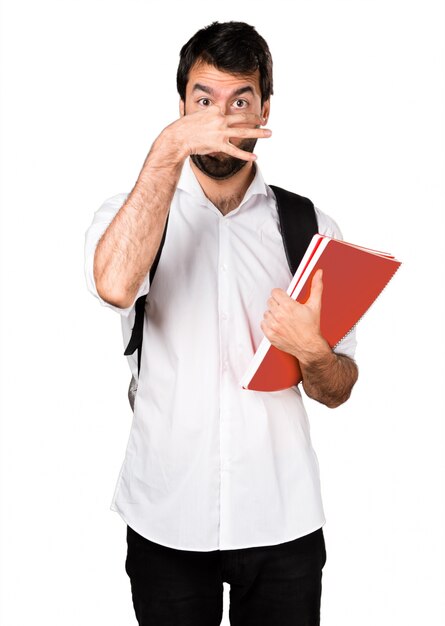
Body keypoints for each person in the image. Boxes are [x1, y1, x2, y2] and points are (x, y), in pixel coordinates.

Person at [84, 20, 358, 626]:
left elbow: (337, 388)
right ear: (181, 104)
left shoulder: (312, 229)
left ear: (265, 109)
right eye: (203, 100)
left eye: (241, 101)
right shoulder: (128, 214)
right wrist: (167, 149)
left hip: (283, 519)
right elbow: (113, 286)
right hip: (167, 515)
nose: (222, 117)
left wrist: (313, 350)